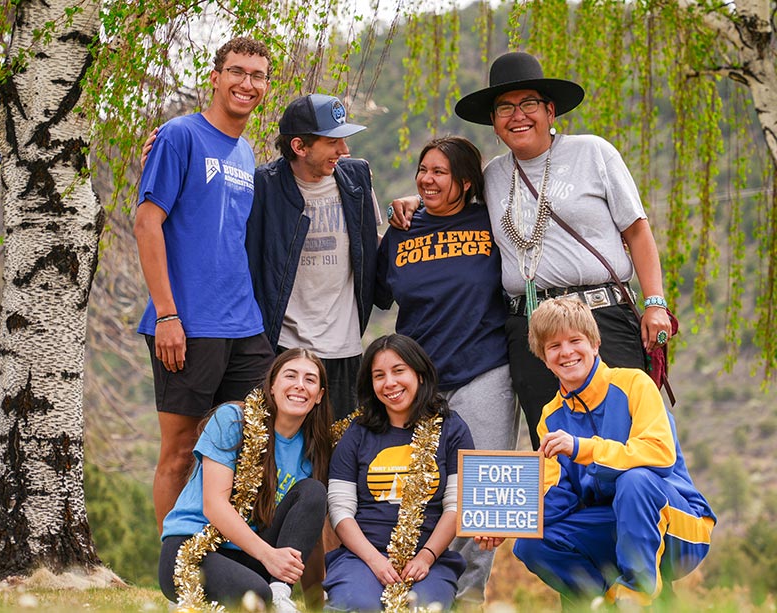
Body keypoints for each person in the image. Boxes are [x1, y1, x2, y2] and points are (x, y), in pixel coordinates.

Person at [388, 52, 673, 450]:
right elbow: (453, 201)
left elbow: (638, 230)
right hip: (529, 328)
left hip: (600, 315)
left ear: (550, 110)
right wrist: (415, 200)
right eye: (505, 107)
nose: (517, 115)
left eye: (528, 104)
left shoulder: (593, 153)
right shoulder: (493, 176)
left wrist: (655, 302)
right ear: (494, 122)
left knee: (626, 438)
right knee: (553, 444)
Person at [134, 36, 275, 532]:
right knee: (178, 448)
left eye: (258, 76)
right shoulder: (179, 136)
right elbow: (147, 222)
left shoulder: (244, 152)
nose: (247, 83)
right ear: (214, 78)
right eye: (237, 72)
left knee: (255, 437)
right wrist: (167, 314)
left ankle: (230, 555)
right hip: (187, 322)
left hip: (243, 323)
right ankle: (173, 576)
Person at [375, 136, 518, 604]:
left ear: (466, 182)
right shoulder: (402, 228)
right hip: (419, 381)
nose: (426, 179)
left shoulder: (491, 221)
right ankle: (414, 593)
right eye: (423, 169)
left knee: (484, 495)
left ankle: (469, 598)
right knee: (417, 492)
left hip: (486, 370)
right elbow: (377, 293)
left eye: (439, 172)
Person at [509, 298, 714, 607]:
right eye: (554, 346)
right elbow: (557, 497)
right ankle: (606, 601)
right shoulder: (549, 418)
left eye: (575, 341)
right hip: (613, 524)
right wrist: (506, 523)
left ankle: (638, 590)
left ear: (595, 343)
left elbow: (659, 454)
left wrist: (582, 448)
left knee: (636, 480)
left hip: (678, 525)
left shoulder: (634, 383)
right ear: (544, 358)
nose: (566, 352)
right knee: (529, 544)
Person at [158, 348, 332, 612]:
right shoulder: (233, 420)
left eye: (310, 379)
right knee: (256, 596)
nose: (299, 385)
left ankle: (280, 592)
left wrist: (317, 603)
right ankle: (191, 599)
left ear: (319, 396)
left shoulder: (311, 449)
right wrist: (269, 556)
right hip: (191, 548)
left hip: (249, 556)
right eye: (290, 376)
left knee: (313, 491)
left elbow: (307, 531)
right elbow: (214, 504)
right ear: (272, 386)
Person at [247, 94, 381, 422]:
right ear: (300, 146)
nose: (344, 151)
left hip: (344, 348)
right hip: (285, 348)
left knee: (340, 453)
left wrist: (410, 205)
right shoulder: (264, 186)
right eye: (333, 142)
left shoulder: (357, 179)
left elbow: (375, 243)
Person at [323, 334, 475, 612]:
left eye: (398, 371)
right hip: (362, 557)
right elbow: (341, 510)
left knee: (425, 607)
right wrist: (374, 560)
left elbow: (456, 506)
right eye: (378, 375)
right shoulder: (357, 433)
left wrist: (427, 557)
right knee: (359, 605)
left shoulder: (452, 428)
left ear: (419, 373)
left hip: (430, 558)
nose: (389, 383)